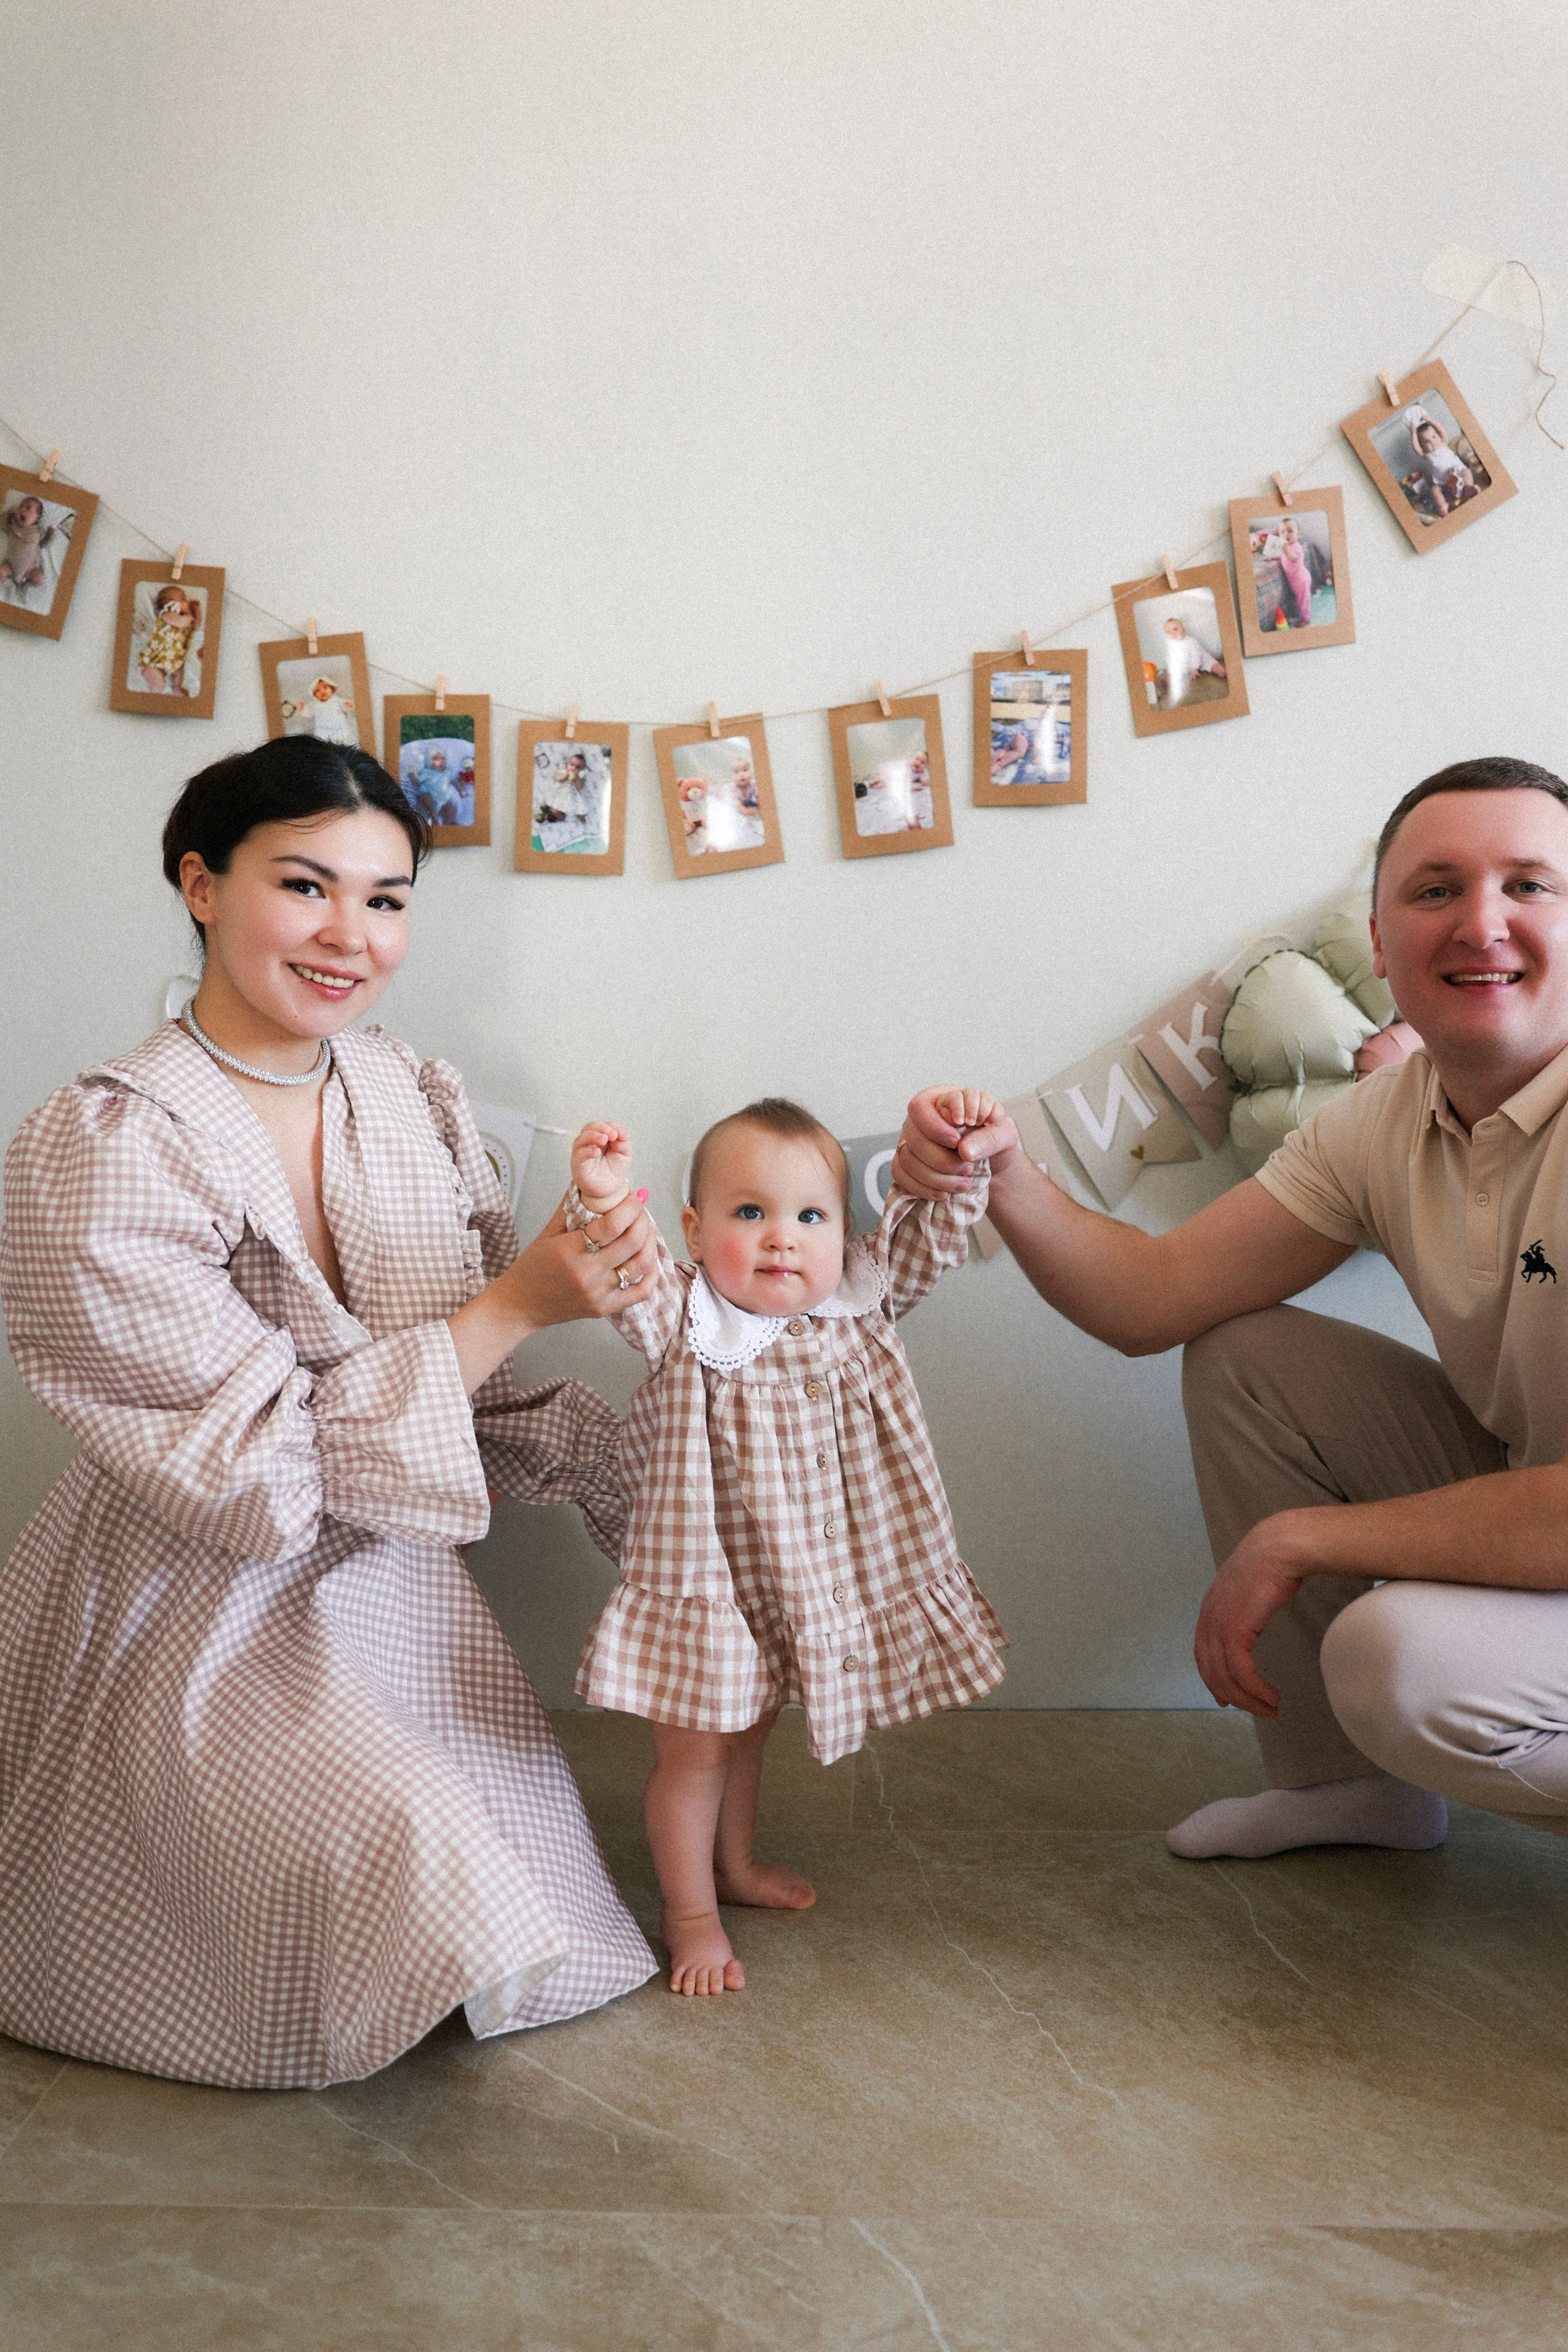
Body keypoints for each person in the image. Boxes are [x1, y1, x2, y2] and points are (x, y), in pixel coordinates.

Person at [0, 736, 663, 2089]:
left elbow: (479, 1365)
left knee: (494, 1906)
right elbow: (254, 1484)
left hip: (394, 1591)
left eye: (387, 899)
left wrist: (632, 1452)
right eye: (305, 886)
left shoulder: (405, 1093)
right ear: (200, 883)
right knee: (400, 1849)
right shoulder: (105, 1141)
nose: (348, 936)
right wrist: (522, 1301)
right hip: (191, 1588)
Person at [893, 757, 1568, 1861]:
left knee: (1394, 1660)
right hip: (1533, 1488)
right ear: (1385, 946)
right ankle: (1346, 1789)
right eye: (1436, 890)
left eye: (1530, 886)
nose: (1480, 922)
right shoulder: (1385, 1119)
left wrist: (1305, 1537)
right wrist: (1005, 1174)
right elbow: (1153, 1300)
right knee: (1246, 1355)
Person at [568, 1095, 1008, 1995]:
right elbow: (631, 1266)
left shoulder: (858, 1306)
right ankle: (689, 1914)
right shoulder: (684, 1323)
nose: (781, 1238)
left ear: (843, 1234)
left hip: (800, 1583)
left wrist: (964, 1146)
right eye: (749, 1213)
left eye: (810, 1217)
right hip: (708, 1592)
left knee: (752, 1732)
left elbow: (932, 1230)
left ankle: (733, 1868)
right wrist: (606, 1195)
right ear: (693, 1231)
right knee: (695, 1753)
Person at [133, 581, 202, 695]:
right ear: (169, 604)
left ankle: (177, 687)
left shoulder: (185, 620)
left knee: (180, 669)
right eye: (183, 599)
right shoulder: (166, 615)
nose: (187, 601)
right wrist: (188, 618)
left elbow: (197, 625)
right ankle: (153, 692)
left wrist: (197, 611)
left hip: (173, 660)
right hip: (153, 661)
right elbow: (181, 622)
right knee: (159, 685)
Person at [1158, 615, 1226, 704]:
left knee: (1212, 664)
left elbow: (1195, 655)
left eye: (1175, 629)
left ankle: (1221, 670)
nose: (1172, 633)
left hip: (1202, 659)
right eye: (1168, 632)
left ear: (1184, 631)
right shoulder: (1172, 646)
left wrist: (1195, 669)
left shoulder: (1190, 642)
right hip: (1187, 665)